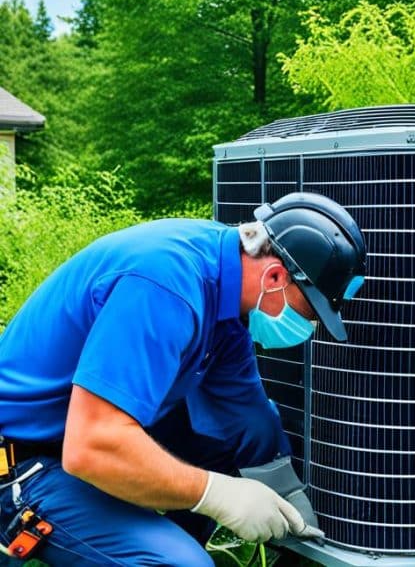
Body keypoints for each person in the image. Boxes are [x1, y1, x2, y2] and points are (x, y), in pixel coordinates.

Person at [0, 191, 366, 565]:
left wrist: (285, 490)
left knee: (223, 450)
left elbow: (244, 412)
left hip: (75, 437)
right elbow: (93, 446)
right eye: (308, 312)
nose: (308, 326)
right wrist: (217, 494)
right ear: (274, 276)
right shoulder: (164, 284)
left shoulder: (223, 285)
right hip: (25, 461)